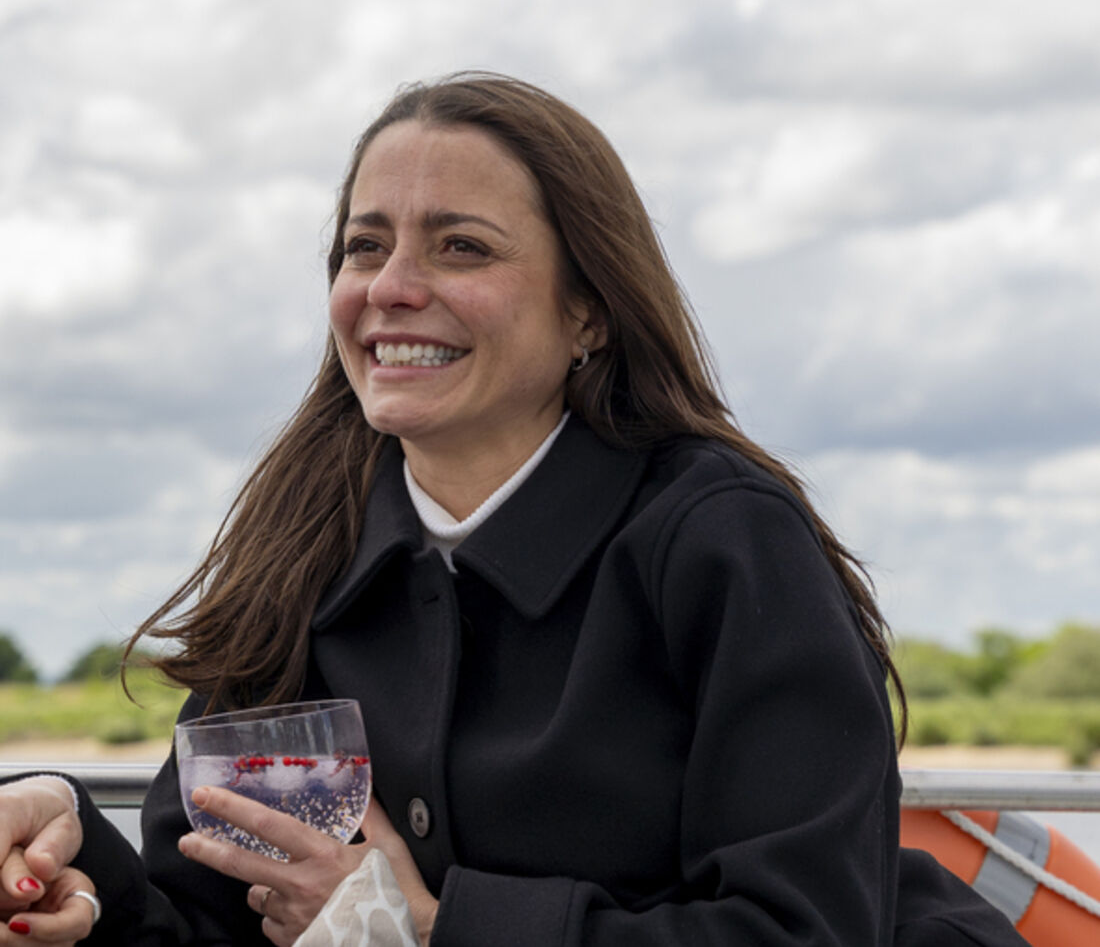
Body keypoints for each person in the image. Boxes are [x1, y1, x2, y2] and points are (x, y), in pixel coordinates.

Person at [0, 73, 1026, 946]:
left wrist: (434, 923)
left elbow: (803, 927)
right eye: (364, 247)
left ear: (587, 308)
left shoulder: (722, 538)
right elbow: (220, 919)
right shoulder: (300, 542)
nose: (392, 287)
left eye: (460, 248)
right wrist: (79, 864)